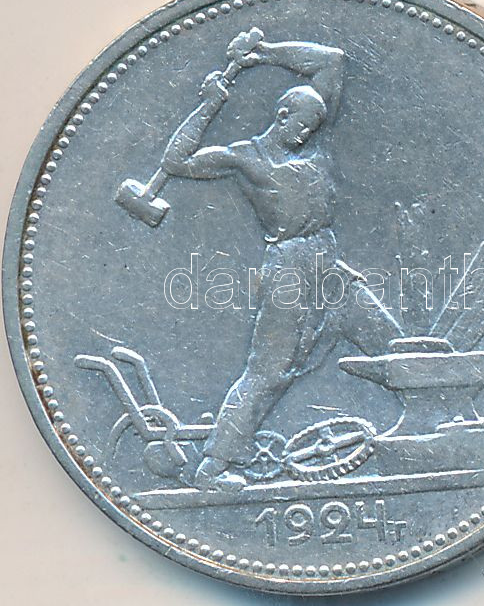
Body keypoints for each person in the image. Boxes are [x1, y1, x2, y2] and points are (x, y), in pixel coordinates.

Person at [161, 29, 403, 489]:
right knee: (269, 371)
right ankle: (213, 467)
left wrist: (262, 54)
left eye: (314, 126)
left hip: (329, 268)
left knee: (394, 345)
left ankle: (425, 436)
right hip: (289, 270)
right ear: (282, 114)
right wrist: (208, 104)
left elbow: (332, 59)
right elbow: (177, 162)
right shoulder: (246, 157)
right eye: (301, 124)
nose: (307, 133)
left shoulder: (315, 145)